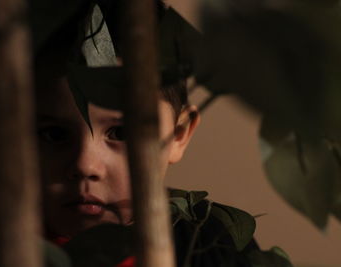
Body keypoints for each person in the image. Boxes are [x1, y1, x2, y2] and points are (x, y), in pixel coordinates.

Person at [34, 3, 293, 267]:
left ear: (179, 134)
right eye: (54, 134)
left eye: (121, 132)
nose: (84, 165)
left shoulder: (214, 245)